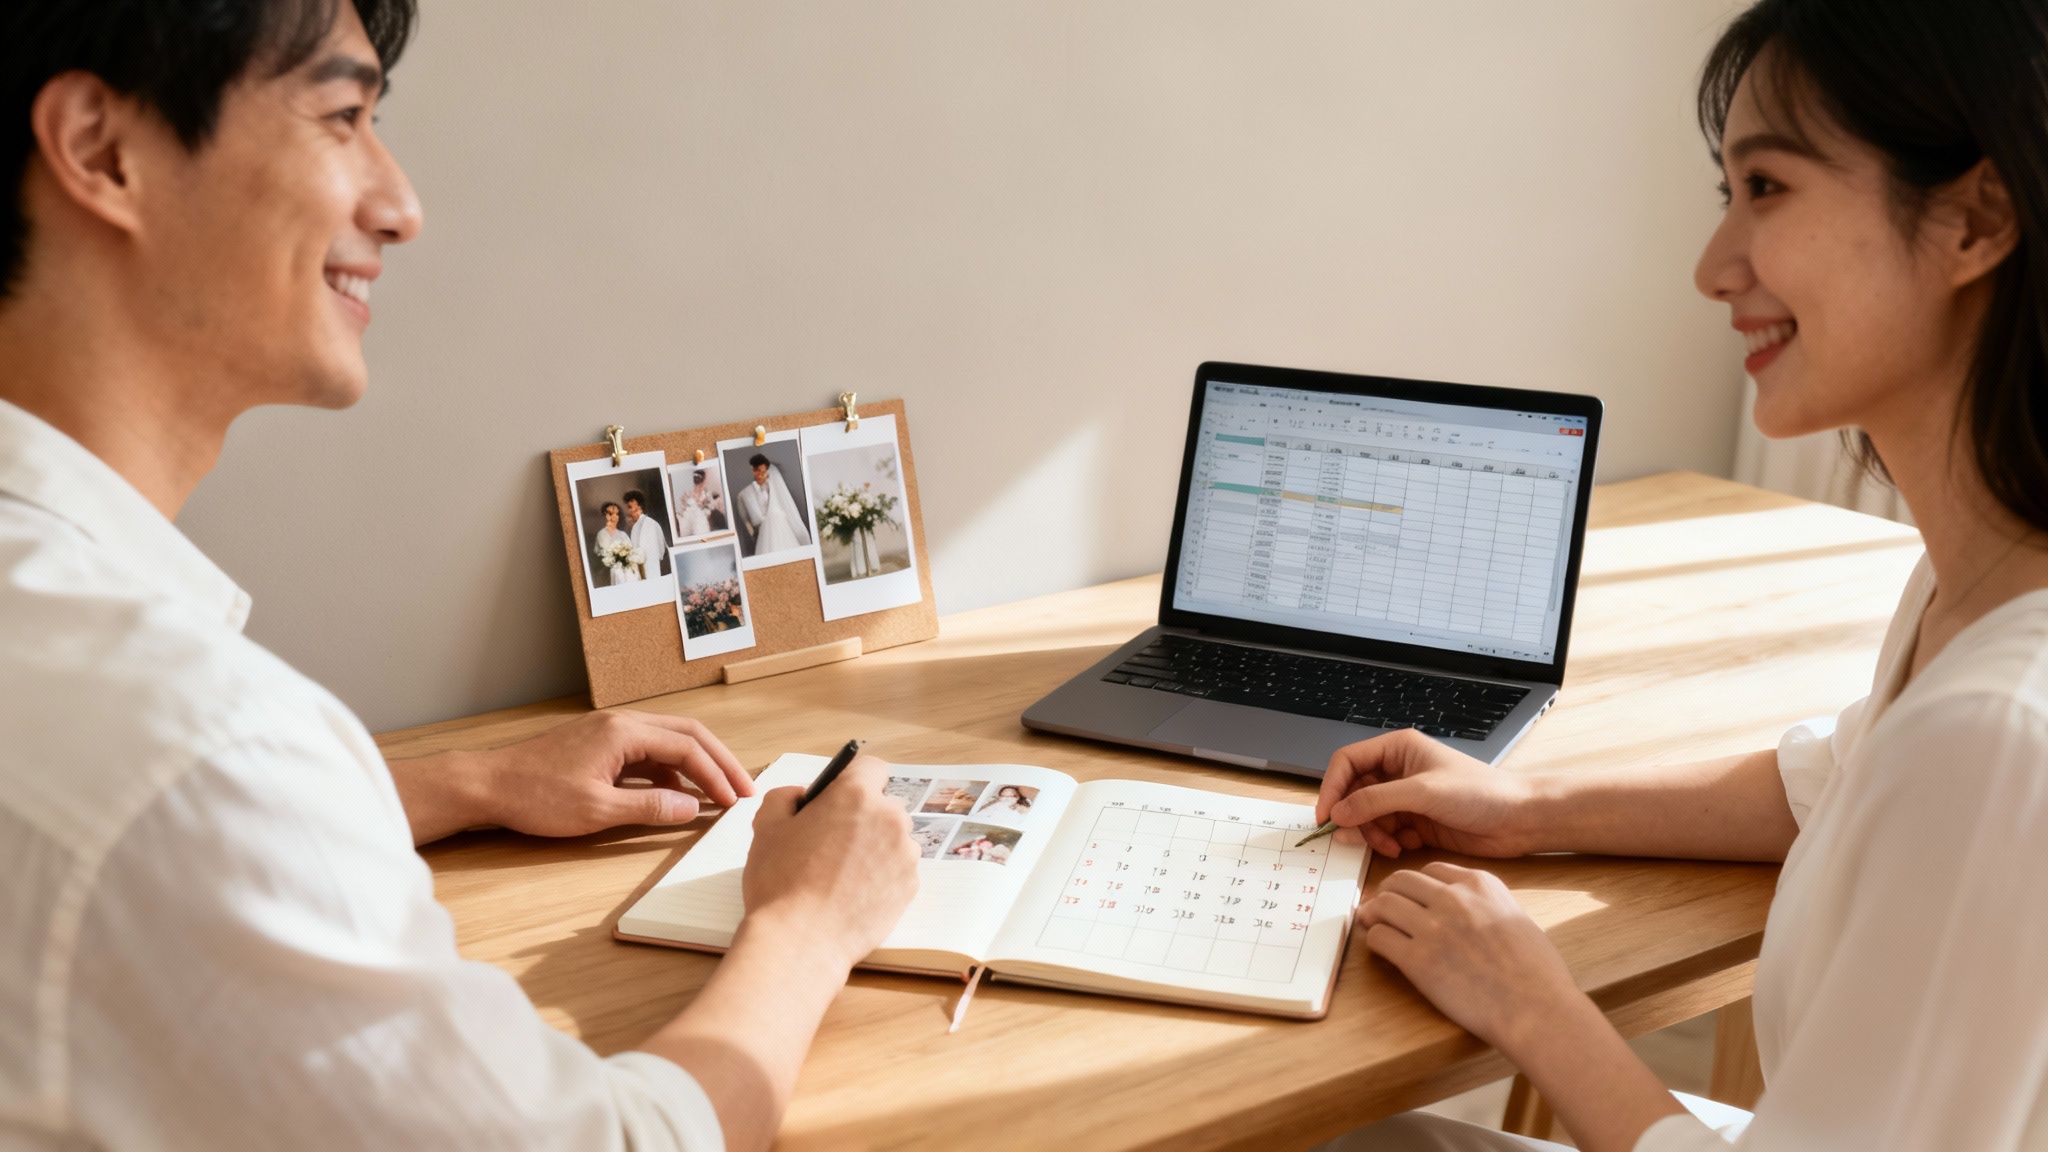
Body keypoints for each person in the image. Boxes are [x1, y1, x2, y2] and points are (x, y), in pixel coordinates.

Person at [0, 3, 918, 1149]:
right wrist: (809, 922)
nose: (401, 207)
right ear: (101, 149)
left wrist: (470, 782)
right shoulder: (192, 751)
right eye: (342, 117)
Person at [1323, 1, 2048, 1148]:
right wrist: (1519, 810)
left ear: (1976, 219)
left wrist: (1531, 1000)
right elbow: (1830, 780)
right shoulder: (1975, 580)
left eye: (1765, 188)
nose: (1713, 268)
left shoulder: (1996, 732)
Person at [735, 453, 812, 556]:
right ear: (753, 471)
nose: (761, 475)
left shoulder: (774, 487)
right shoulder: (746, 493)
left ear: (767, 471)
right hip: (764, 530)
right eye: (758, 471)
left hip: (780, 524)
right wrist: (753, 533)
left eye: (763, 471)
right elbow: (746, 519)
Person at [623, 487, 669, 580]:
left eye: (630, 507)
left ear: (639, 506)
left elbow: (661, 550)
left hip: (651, 570)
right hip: (639, 572)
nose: (628, 511)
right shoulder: (635, 527)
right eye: (628, 507)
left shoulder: (651, 524)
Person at [594, 499, 639, 585]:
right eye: (610, 514)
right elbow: (607, 552)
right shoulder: (602, 534)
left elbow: (630, 551)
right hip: (611, 567)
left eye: (617, 514)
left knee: (632, 572)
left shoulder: (623, 534)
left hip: (626, 565)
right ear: (605, 515)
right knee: (618, 573)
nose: (614, 516)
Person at [676, 469, 723, 539]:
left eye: (699, 481)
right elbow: (682, 509)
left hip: (701, 520)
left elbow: (712, 505)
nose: (697, 484)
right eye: (696, 481)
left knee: (700, 521)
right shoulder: (687, 494)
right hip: (688, 519)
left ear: (703, 481)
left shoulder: (707, 494)